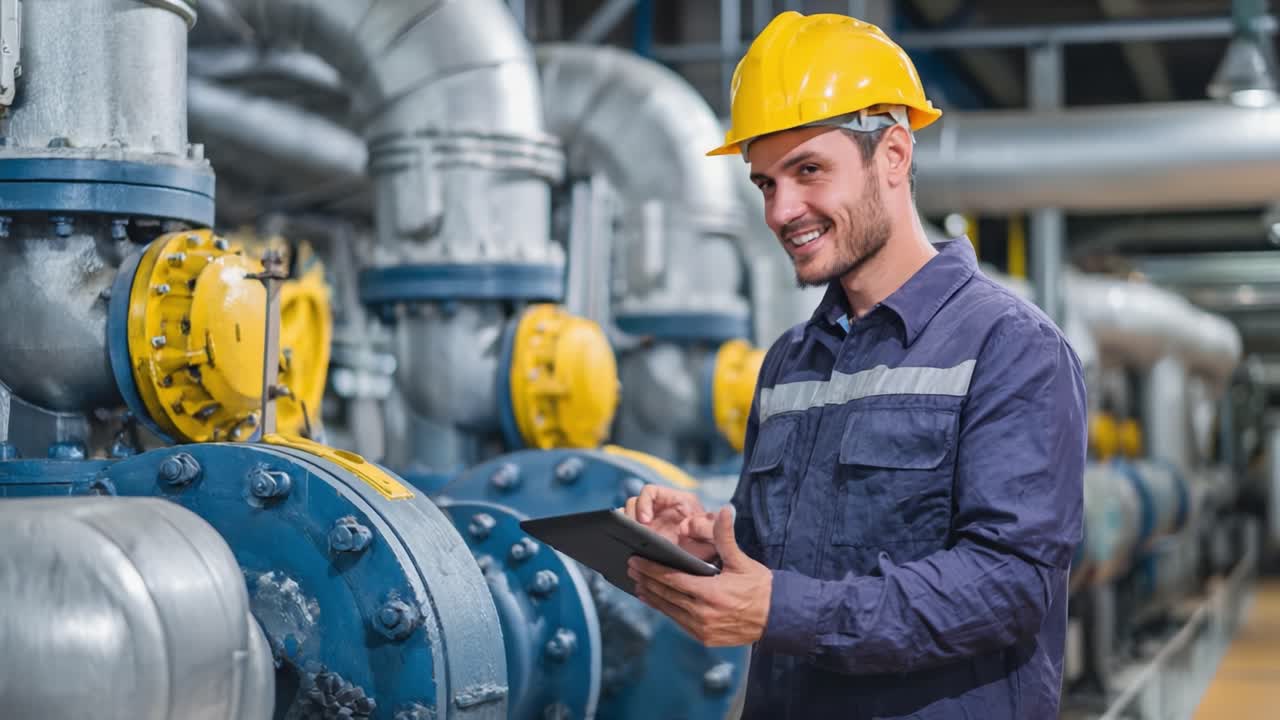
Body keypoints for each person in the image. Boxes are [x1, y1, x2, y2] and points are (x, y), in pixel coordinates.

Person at [621, 10, 1087, 720]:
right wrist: (706, 546)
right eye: (765, 184)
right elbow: (781, 563)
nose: (782, 211)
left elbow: (1009, 584)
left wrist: (783, 609)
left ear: (893, 155)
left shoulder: (1010, 346)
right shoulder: (790, 361)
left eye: (808, 171)